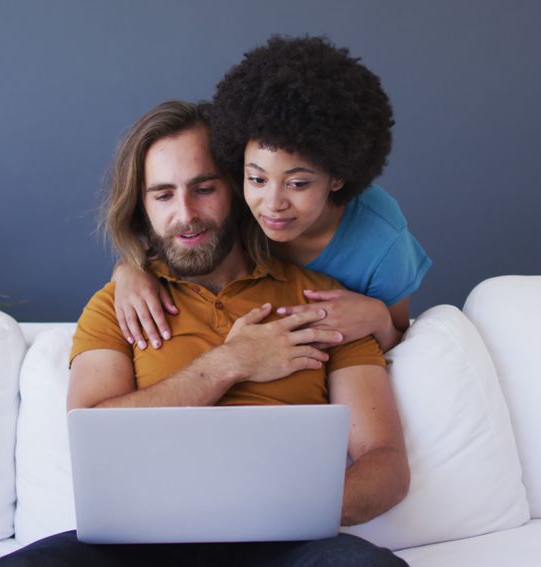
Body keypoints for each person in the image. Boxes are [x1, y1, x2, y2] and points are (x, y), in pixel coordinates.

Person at [0, 100, 411, 567]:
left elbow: (385, 462)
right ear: (141, 207)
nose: (186, 214)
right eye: (163, 195)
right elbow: (94, 430)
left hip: (286, 543)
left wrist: (292, 509)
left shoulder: (325, 302)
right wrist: (231, 362)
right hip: (138, 544)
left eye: (204, 189)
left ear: (236, 187)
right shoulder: (115, 305)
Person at [112, 35, 431, 354]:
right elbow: (176, 237)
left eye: (298, 184)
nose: (273, 205)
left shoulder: (383, 240)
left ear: (337, 177)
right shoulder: (235, 201)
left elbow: (398, 345)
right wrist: (128, 270)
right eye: (257, 178)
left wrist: (378, 318)